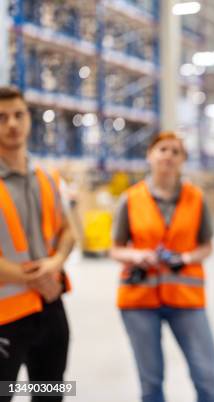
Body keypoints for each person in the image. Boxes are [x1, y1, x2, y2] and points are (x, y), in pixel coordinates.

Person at [110, 131, 214, 402]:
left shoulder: (196, 198)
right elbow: (115, 248)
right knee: (151, 383)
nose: (168, 156)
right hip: (139, 301)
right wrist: (136, 256)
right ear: (150, 155)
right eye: (162, 150)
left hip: (186, 299)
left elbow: (206, 245)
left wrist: (185, 259)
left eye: (176, 151)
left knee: (207, 377)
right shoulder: (131, 199)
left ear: (183, 160)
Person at [0, 87, 75, 401]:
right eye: (2, 118)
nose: (12, 124)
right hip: (5, 316)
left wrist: (55, 264)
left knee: (50, 391)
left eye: (19, 115)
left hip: (51, 307)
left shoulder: (49, 177)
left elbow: (68, 231)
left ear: (29, 120)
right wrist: (31, 277)